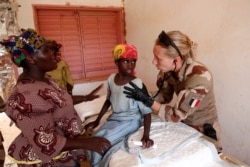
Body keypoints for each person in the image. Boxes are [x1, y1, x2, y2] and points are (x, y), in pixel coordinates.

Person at [0, 28, 111, 167]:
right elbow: (45, 141)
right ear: (31, 58)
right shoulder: (26, 96)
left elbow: (58, 100)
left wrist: (85, 98)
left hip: (65, 152)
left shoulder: (44, 79)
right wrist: (87, 142)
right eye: (46, 50)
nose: (54, 53)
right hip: (48, 161)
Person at [124, 30, 221, 148]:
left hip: (204, 129)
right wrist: (143, 94)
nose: (153, 62)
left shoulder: (199, 78)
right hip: (185, 126)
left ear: (176, 60)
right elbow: (164, 96)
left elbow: (175, 115)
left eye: (158, 58)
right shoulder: (167, 72)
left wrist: (146, 100)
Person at [85, 44, 154, 167]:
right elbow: (108, 101)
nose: (130, 65)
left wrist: (146, 136)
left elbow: (147, 112)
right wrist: (97, 121)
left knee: (101, 143)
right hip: (114, 119)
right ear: (117, 62)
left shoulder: (137, 83)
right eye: (126, 61)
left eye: (133, 61)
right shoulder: (111, 79)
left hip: (130, 121)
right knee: (94, 138)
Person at [45, 40, 103, 105]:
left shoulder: (62, 64)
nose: (57, 56)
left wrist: (70, 96)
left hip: (63, 95)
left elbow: (68, 81)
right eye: (53, 54)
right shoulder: (42, 77)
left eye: (57, 53)